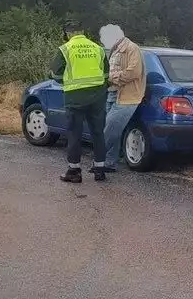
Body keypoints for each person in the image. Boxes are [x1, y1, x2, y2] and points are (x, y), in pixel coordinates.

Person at [50, 19, 109, 188]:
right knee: (98, 132)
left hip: (75, 97)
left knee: (74, 134)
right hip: (97, 96)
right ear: (83, 32)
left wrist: (68, 82)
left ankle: (74, 172)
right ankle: (100, 170)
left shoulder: (65, 49)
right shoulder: (98, 48)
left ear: (67, 34)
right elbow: (106, 74)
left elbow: (55, 74)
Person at [100, 24, 144, 172]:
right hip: (113, 93)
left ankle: (98, 159)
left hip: (127, 95)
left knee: (110, 128)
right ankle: (109, 163)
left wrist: (112, 78)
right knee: (115, 130)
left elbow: (133, 72)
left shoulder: (132, 49)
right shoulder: (114, 49)